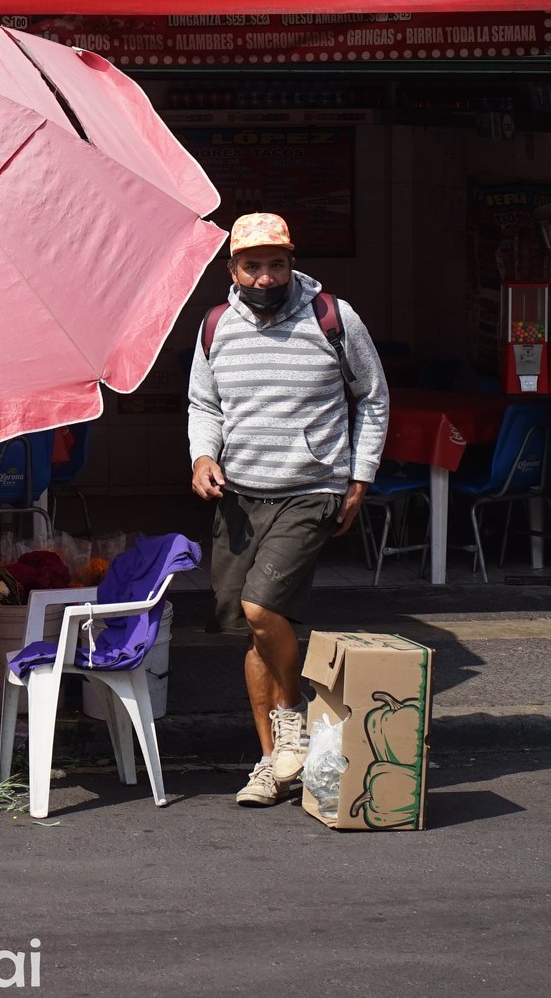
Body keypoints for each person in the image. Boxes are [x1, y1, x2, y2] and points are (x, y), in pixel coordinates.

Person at [187, 211, 390, 808]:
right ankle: (275, 765)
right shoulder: (215, 325)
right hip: (239, 496)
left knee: (260, 605)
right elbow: (205, 403)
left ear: (292, 261)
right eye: (253, 265)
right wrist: (202, 457)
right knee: (253, 633)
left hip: (309, 489)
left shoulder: (334, 317)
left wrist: (359, 478)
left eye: (276, 264)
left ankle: (293, 719)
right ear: (233, 269)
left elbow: (372, 399)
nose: (265, 276)